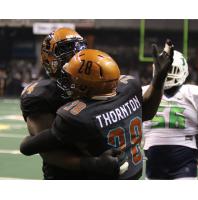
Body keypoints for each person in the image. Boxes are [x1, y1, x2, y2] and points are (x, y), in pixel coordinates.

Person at [20, 39, 174, 180]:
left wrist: (93, 164)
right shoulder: (129, 86)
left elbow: (28, 146)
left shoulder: (76, 115)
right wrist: (158, 81)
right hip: (135, 169)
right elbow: (146, 113)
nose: (68, 81)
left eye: (72, 78)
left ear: (85, 87)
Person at [20, 27, 127, 180]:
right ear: (49, 60)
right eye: (65, 50)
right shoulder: (41, 96)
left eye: (78, 49)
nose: (75, 55)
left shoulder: (96, 81)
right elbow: (48, 151)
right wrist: (93, 164)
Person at [142, 50, 198, 180]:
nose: (168, 74)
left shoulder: (193, 93)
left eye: (172, 70)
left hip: (184, 157)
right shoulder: (144, 91)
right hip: (154, 156)